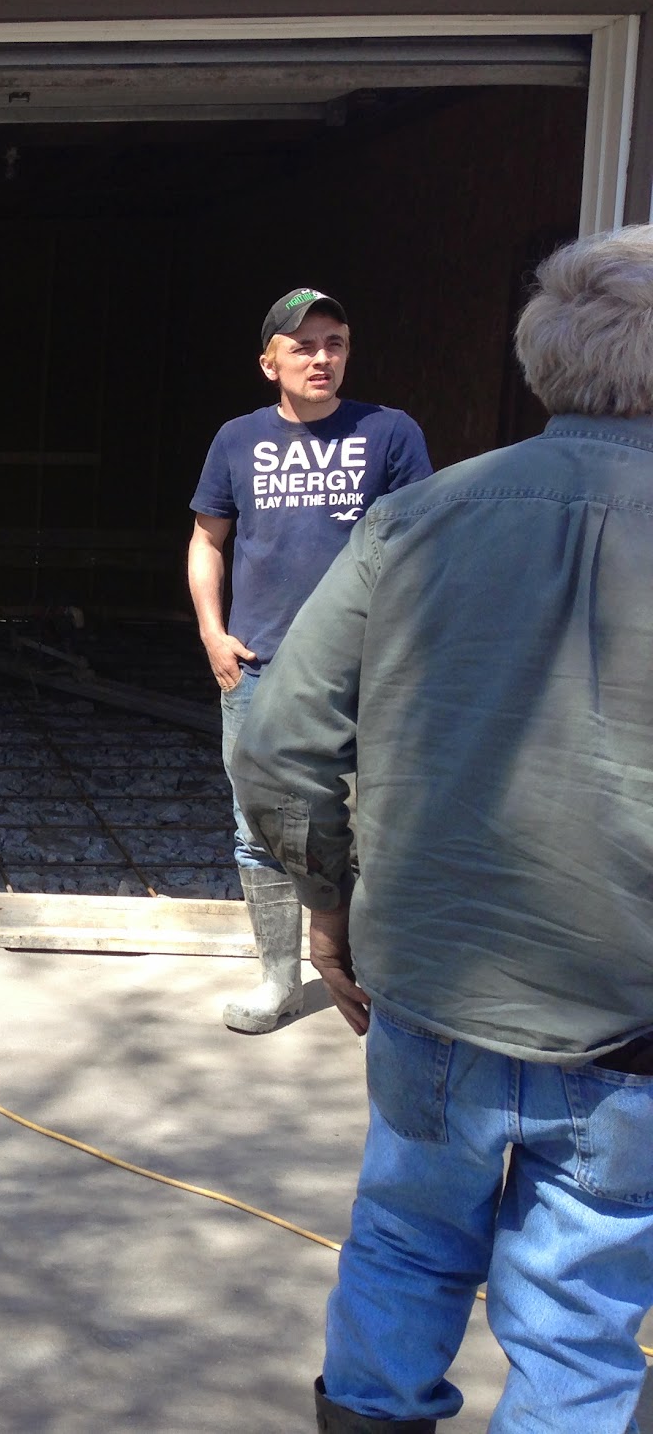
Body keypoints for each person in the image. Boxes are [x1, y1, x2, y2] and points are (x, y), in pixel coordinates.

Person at [230, 228, 653, 1431]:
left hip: (427, 977)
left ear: (539, 359)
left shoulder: (413, 520)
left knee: (405, 1241)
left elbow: (276, 744)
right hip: (626, 1016)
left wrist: (326, 908)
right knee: (576, 1306)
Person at [187, 290, 432, 1033]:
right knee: (257, 825)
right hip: (258, 668)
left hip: (364, 670)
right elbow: (207, 541)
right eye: (303, 346)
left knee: (373, 823)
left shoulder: (389, 433)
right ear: (270, 364)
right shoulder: (238, 439)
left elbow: (421, 548)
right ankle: (278, 981)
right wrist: (213, 634)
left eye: (335, 342)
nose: (321, 358)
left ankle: (376, 978)